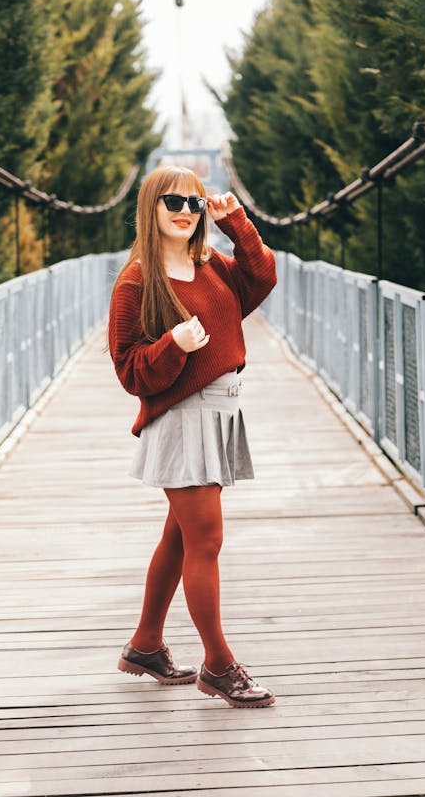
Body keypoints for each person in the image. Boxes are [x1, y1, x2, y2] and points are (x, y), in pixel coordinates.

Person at [107, 164, 277, 708]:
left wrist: (238, 225)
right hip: (182, 418)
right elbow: (130, 369)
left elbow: (262, 278)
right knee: (205, 541)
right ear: (151, 209)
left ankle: (146, 645)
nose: (185, 211)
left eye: (195, 203)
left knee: (181, 537)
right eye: (173, 202)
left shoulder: (212, 266)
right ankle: (219, 666)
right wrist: (174, 343)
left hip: (221, 414)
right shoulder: (137, 280)